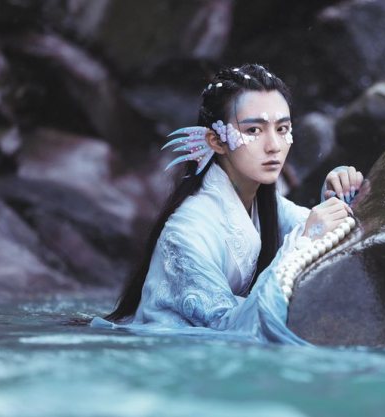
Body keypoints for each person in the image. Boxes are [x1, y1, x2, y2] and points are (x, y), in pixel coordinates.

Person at [90, 64, 363, 344]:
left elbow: (316, 227)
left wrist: (340, 194)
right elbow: (231, 330)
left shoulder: (265, 204)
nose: (274, 145)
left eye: (282, 129)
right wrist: (306, 239)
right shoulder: (186, 231)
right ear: (216, 141)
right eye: (254, 130)